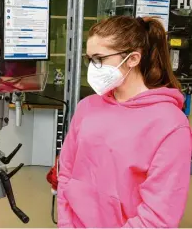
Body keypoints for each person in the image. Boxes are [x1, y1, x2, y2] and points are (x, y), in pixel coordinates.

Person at [57, 16, 192, 228]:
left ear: (133, 59)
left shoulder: (170, 125)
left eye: (100, 59)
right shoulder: (88, 107)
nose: (93, 67)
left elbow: (159, 216)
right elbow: (65, 174)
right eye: (90, 59)